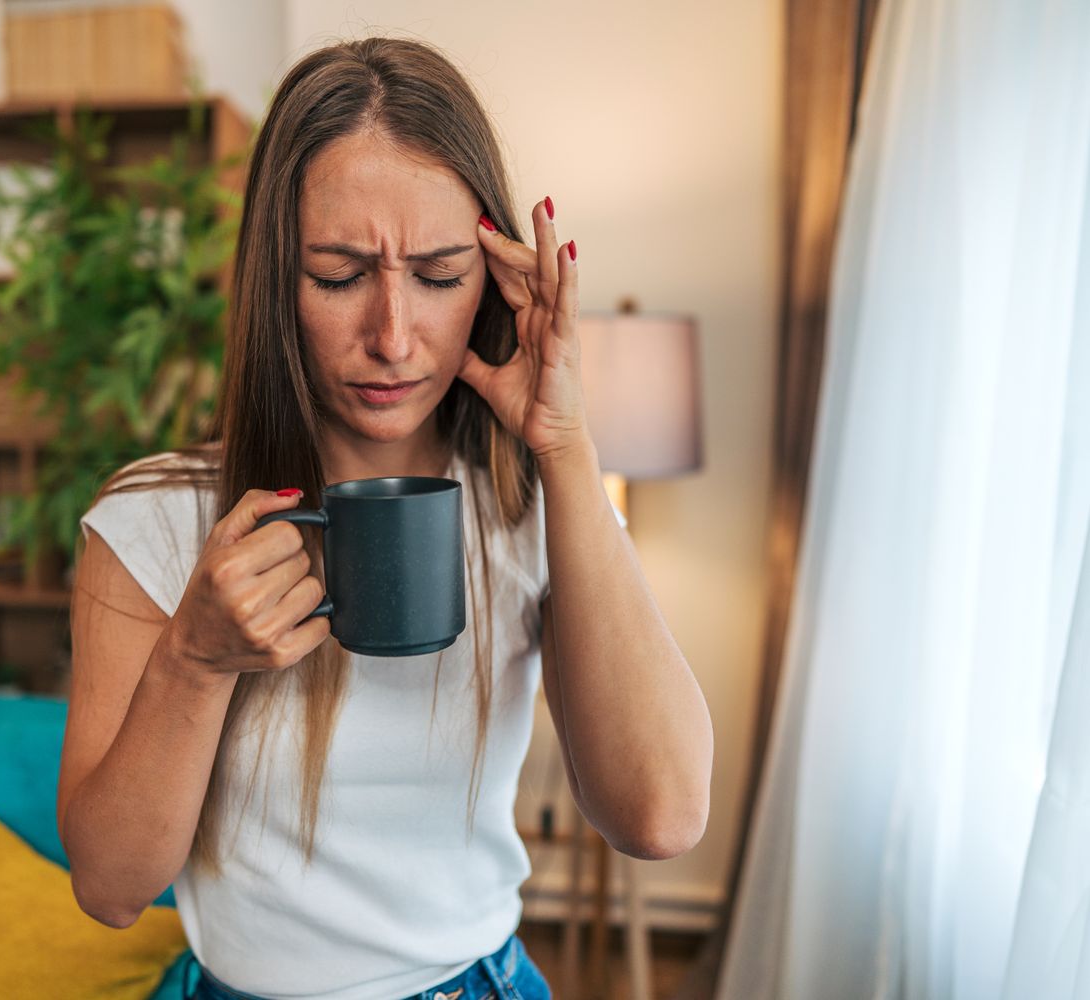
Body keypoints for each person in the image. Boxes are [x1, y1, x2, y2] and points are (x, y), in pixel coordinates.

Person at [57, 35, 714, 1000]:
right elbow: (112, 889)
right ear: (276, 278)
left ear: (491, 281)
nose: (394, 338)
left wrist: (567, 449)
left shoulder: (529, 505)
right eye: (337, 275)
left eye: (442, 276)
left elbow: (660, 818)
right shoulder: (153, 520)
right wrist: (193, 663)